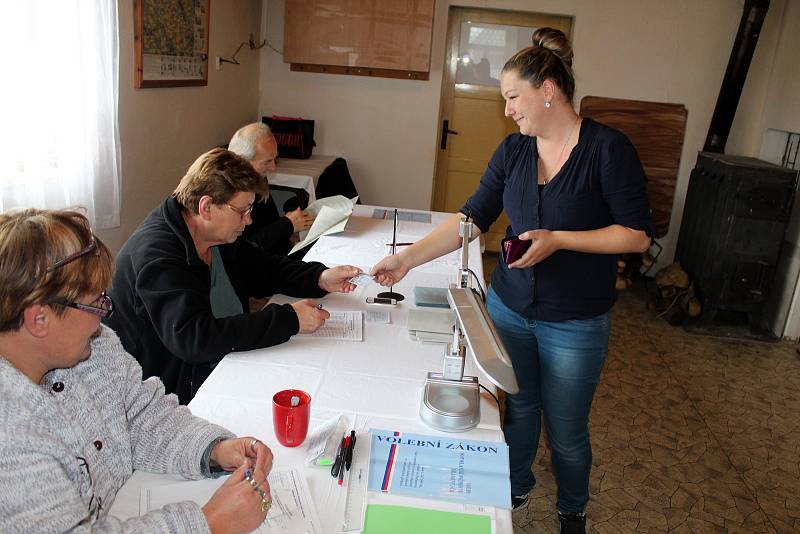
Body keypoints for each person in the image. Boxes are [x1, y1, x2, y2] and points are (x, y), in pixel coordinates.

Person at [371, 28, 653, 533]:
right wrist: (408, 260)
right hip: (508, 309)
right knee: (518, 411)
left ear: (549, 90)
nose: (507, 110)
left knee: (566, 432)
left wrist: (561, 239)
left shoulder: (608, 150)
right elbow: (471, 219)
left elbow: (635, 236)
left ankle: (572, 509)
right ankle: (517, 484)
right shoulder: (514, 151)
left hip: (574, 321)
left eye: (512, 97)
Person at [0, 209, 275, 533]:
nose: (105, 314)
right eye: (94, 304)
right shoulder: (10, 435)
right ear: (39, 320)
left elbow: (140, 413)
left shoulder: (94, 349)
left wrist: (212, 449)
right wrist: (207, 523)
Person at [105, 148, 360, 404]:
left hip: (221, 359)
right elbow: (195, 339)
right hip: (166, 393)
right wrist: (289, 319)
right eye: (243, 211)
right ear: (206, 207)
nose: (248, 221)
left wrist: (319, 277)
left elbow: (263, 267)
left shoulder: (213, 233)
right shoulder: (159, 257)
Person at [228, 122, 314, 256]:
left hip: (275, 256)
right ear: (242, 161)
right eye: (267, 161)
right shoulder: (229, 192)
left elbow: (268, 222)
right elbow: (241, 250)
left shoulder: (257, 176)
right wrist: (287, 225)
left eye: (275, 159)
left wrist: (290, 233)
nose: (273, 167)